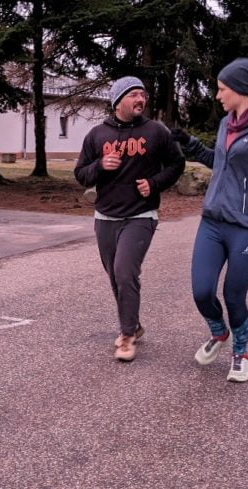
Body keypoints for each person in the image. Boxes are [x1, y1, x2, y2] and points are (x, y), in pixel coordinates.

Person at [172, 58, 248, 382]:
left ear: (242, 90)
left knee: (234, 294)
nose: (217, 95)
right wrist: (190, 144)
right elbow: (218, 161)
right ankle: (218, 332)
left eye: (222, 89)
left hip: (247, 227)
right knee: (201, 291)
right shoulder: (226, 122)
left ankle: (241, 353)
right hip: (212, 222)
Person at [75, 76, 186, 362]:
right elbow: (80, 174)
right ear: (118, 101)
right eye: (134, 94)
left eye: (143, 94)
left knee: (125, 272)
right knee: (115, 276)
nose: (141, 99)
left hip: (141, 215)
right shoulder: (97, 135)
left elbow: (177, 164)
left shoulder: (156, 131)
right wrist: (100, 165)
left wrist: (155, 183)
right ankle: (134, 324)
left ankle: (126, 336)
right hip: (105, 216)